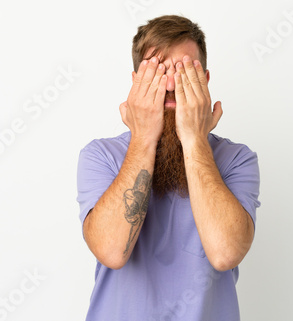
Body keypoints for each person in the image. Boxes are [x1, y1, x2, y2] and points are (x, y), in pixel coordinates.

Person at [76, 14, 261, 321]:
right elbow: (111, 251)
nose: (173, 83)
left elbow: (225, 252)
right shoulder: (101, 156)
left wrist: (194, 138)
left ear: (206, 81)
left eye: (185, 70)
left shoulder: (237, 159)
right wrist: (144, 137)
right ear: (137, 81)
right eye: (159, 71)